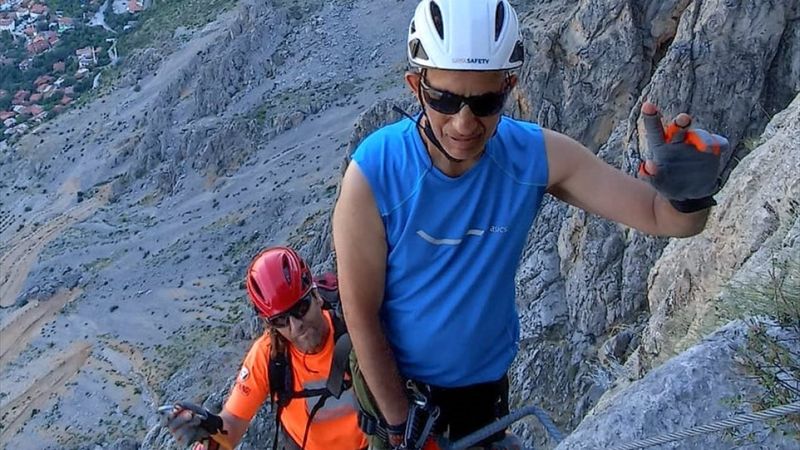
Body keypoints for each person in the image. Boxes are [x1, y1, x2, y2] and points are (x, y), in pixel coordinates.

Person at [331, 0, 729, 449]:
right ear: (415, 87)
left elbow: (664, 219)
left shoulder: (534, 157)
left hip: (483, 401)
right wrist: (402, 427)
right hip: (400, 401)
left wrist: (689, 195)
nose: (464, 123)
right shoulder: (375, 173)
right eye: (445, 99)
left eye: (485, 102)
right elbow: (360, 315)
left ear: (510, 87)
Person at [164, 246, 368, 450]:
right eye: (281, 320)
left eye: (301, 308)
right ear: (271, 325)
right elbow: (232, 427)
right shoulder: (269, 355)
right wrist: (208, 425)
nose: (296, 326)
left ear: (316, 296)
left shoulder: (357, 333)